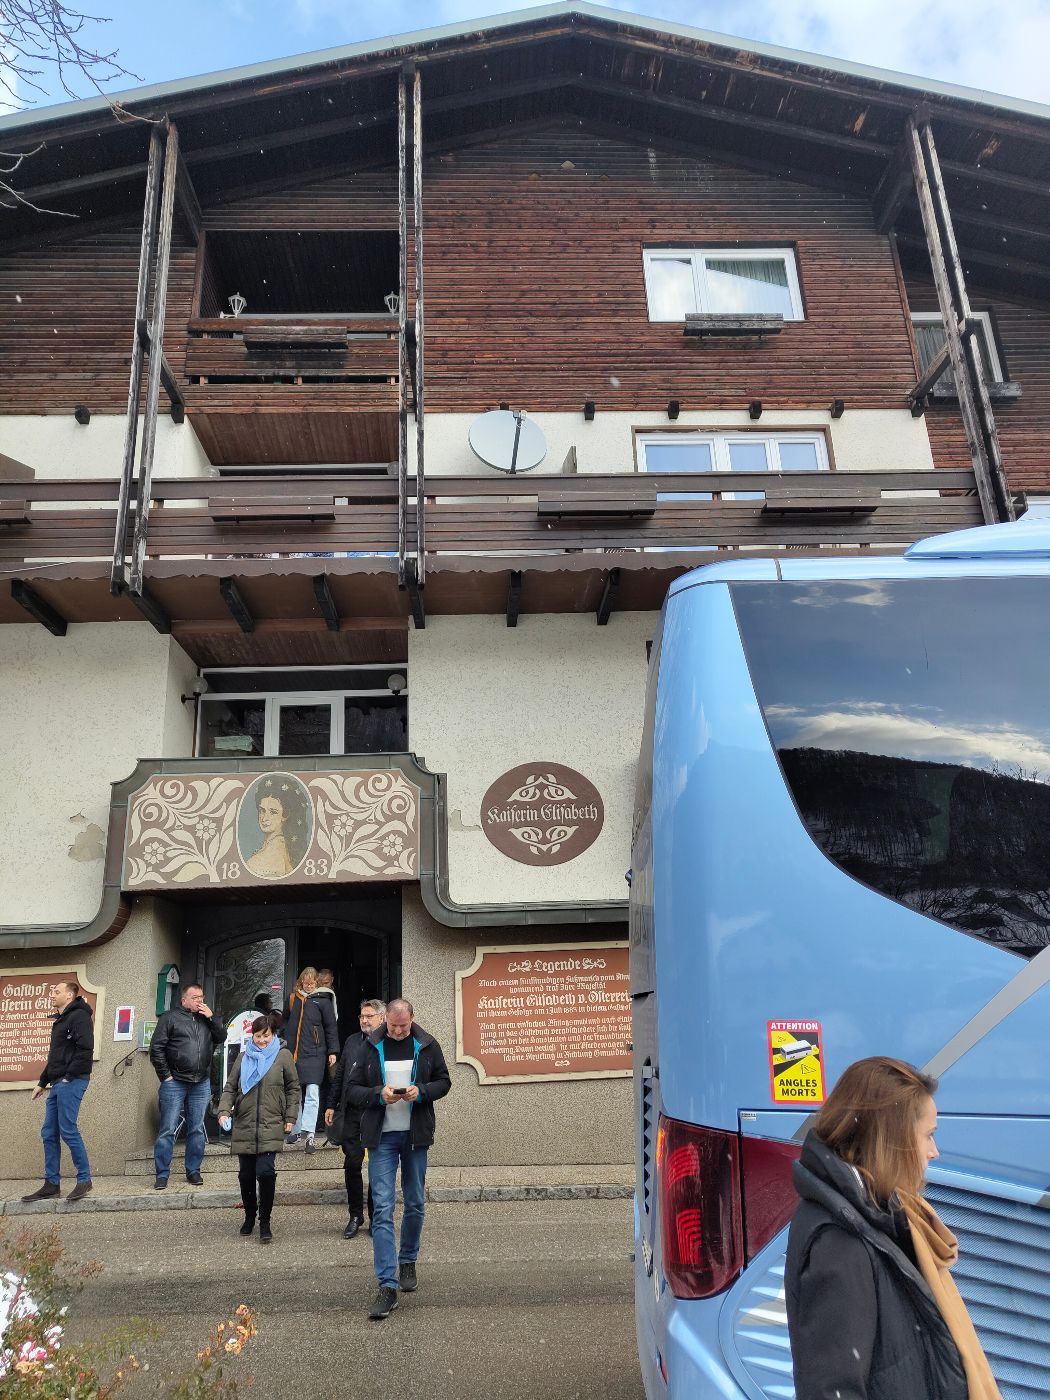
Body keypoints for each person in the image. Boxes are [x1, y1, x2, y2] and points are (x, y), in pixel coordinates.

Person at [786, 1056, 1002, 1400]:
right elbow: (832, 1390)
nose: (934, 1152)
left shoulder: (881, 1218)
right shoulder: (841, 1243)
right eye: (927, 1136)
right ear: (892, 1141)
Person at [346, 997, 451, 1321]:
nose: (398, 1031)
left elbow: (444, 1081)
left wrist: (423, 1090)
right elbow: (352, 1089)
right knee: (382, 1208)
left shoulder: (427, 1044)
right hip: (381, 1138)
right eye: (393, 1026)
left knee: (416, 1202)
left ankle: (408, 1260)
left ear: (412, 1019)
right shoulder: (368, 1046)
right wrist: (380, 1095)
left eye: (403, 1026)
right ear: (385, 1021)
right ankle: (387, 1286)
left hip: (415, 1135)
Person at [217, 1013, 300, 1244]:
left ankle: (265, 1221)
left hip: (271, 1121)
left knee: (265, 1172)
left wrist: (291, 1116)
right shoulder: (244, 1057)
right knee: (245, 1175)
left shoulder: (282, 1056)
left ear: (273, 1035)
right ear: (251, 1035)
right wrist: (224, 1111)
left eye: (266, 1035)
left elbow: (294, 1088)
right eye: (258, 1035)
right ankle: (249, 1216)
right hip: (244, 1121)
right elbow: (230, 1087)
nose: (262, 1040)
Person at [22, 981, 94, 1203]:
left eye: (57, 991)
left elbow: (86, 1048)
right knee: (48, 1133)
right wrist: (42, 1082)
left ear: (70, 996)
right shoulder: (62, 1020)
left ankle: (85, 1179)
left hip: (70, 1082)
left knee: (68, 1130)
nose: (52, 995)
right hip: (58, 1083)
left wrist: (67, 1076)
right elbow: (56, 1057)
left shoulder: (79, 1017)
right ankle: (52, 1184)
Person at [149, 983, 226, 1190]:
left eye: (201, 997)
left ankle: (193, 1171)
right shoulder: (170, 1018)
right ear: (184, 1000)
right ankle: (162, 1174)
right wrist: (165, 1076)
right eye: (195, 997)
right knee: (168, 1129)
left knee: (196, 1129)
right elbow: (156, 1048)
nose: (199, 1000)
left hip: (200, 1082)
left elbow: (222, 1038)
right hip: (175, 1082)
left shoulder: (206, 1019)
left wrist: (212, 1018)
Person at [325, 998, 386, 1236]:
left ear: (382, 1018)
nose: (364, 1020)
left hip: (375, 1112)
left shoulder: (387, 1043)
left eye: (369, 1016)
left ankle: (375, 1217)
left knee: (376, 1167)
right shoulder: (352, 1041)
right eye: (362, 1016)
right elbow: (340, 1075)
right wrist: (331, 1104)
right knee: (352, 1163)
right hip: (351, 1112)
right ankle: (355, 1215)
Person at [283, 966, 338, 1154]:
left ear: (316, 983)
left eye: (312, 983)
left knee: (313, 1093)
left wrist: (333, 1051)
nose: (308, 986)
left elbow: (331, 1027)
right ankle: (296, 1130)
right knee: (295, 1092)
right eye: (305, 983)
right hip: (293, 1053)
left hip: (316, 1053)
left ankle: (310, 1133)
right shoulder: (293, 999)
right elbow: (284, 1022)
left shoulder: (323, 1001)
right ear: (300, 982)